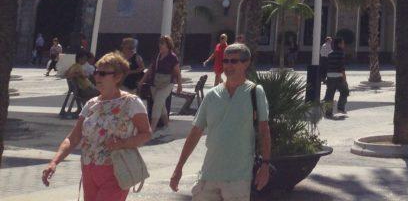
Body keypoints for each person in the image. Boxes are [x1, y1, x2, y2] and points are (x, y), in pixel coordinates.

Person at [42, 52, 152, 201]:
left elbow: (146, 134)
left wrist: (122, 144)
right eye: (95, 72)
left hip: (117, 171)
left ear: (118, 77)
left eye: (102, 73)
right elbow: (73, 137)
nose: (96, 76)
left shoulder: (131, 103)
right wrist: (54, 162)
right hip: (89, 170)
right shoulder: (91, 104)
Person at [171, 43, 271, 200]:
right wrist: (179, 167)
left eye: (234, 61)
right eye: (226, 61)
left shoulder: (255, 92)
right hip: (208, 175)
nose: (228, 65)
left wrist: (265, 165)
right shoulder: (212, 95)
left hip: (238, 178)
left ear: (246, 63)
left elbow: (264, 130)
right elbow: (195, 132)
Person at [144, 35, 182, 131]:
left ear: (168, 45)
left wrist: (179, 85)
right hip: (155, 83)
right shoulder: (157, 55)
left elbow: (178, 72)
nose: (160, 45)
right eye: (159, 43)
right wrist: (142, 80)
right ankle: (167, 125)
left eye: (162, 43)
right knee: (161, 105)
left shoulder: (173, 57)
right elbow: (150, 69)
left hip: (167, 83)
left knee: (157, 103)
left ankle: (151, 128)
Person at [322, 37, 349, 117]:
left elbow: (327, 65)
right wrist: (344, 78)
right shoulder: (341, 53)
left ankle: (328, 112)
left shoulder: (330, 54)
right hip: (339, 76)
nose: (344, 45)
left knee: (329, 95)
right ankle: (340, 107)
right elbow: (342, 67)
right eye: (343, 43)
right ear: (339, 44)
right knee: (345, 91)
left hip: (330, 76)